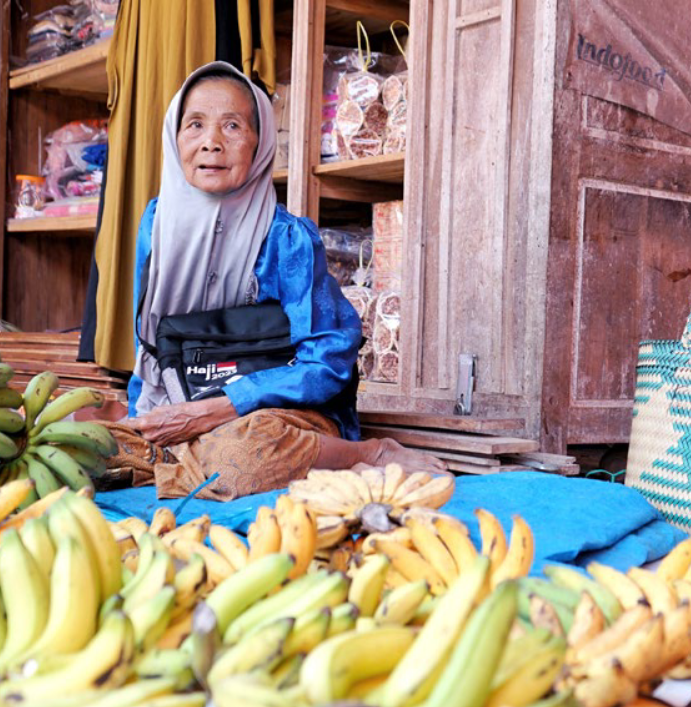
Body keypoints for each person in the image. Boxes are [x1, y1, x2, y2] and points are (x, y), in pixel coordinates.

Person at [110, 61, 446, 500]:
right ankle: (186, 462)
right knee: (83, 448)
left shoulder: (287, 238)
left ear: (260, 142)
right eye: (194, 125)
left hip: (279, 416)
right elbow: (150, 341)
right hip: (182, 401)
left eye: (232, 126)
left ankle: (365, 453)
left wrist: (215, 411)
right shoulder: (156, 226)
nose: (211, 143)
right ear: (174, 139)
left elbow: (328, 362)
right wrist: (147, 419)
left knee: (242, 457)